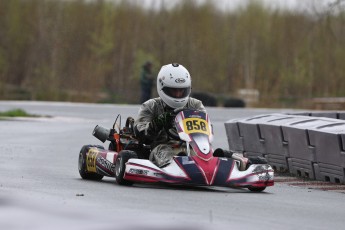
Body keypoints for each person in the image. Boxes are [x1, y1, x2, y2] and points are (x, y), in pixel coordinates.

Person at [134, 63, 206, 167]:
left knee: (205, 153)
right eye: (173, 90)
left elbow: (206, 132)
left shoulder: (195, 105)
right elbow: (140, 134)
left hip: (190, 148)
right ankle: (173, 166)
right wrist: (157, 123)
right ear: (162, 87)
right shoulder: (150, 106)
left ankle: (202, 166)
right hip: (162, 148)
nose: (177, 94)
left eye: (181, 91)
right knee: (163, 150)